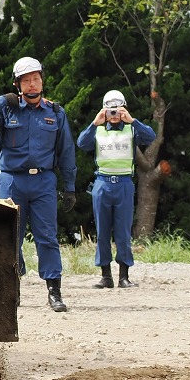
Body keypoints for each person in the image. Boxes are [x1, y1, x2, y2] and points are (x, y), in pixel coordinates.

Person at [0, 56, 77, 312]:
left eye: (36, 79)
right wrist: (0, 102)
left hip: (43, 181)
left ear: (42, 81)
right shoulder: (7, 109)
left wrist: (70, 186)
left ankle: (54, 292)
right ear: (18, 84)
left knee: (47, 237)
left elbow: (66, 151)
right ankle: (11, 289)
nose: (32, 85)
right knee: (10, 238)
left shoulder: (55, 112)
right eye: (26, 81)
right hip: (12, 180)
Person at [76, 89, 155, 288]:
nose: (113, 114)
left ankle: (124, 276)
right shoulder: (98, 129)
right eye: (109, 110)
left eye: (117, 109)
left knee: (123, 231)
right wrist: (95, 122)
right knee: (102, 231)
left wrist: (133, 120)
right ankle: (105, 276)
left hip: (124, 184)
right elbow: (81, 143)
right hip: (102, 183)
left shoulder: (132, 129)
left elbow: (150, 136)